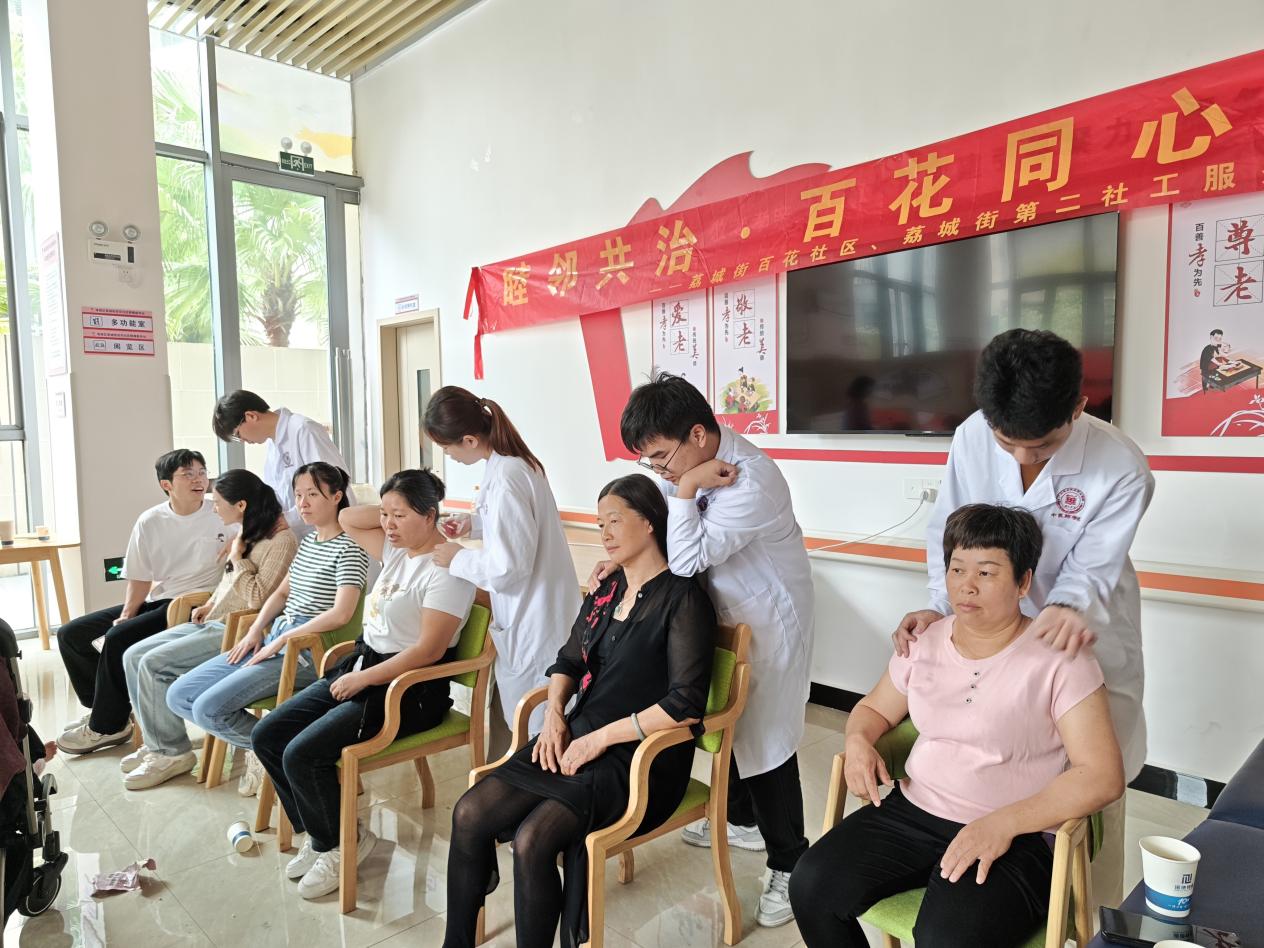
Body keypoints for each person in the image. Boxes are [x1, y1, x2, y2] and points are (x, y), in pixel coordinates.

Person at [893, 328, 1154, 906]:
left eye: (1040, 446)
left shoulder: (1121, 466)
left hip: (1080, 634)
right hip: (992, 639)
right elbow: (949, 530)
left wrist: (1063, 609)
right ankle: (993, 899)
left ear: (1079, 408)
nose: (1020, 458)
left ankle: (1088, 924)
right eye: (1006, 442)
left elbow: (1091, 568)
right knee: (1002, 771)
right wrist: (940, 606)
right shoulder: (972, 434)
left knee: (1090, 791)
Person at [791, 504, 1125, 948]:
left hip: (1018, 833)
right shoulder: (923, 641)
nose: (966, 585)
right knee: (811, 885)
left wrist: (1003, 824)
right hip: (915, 811)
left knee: (947, 936)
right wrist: (857, 742)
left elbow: (1102, 775)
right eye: (957, 569)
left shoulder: (1060, 658)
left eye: (986, 572)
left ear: (1024, 582)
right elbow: (874, 710)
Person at [443, 474, 715, 948]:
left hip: (640, 756)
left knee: (533, 839)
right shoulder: (606, 591)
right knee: (469, 812)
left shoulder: (683, 598)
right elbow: (568, 660)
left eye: (615, 521)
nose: (604, 532)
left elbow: (684, 705)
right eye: (600, 522)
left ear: (650, 522)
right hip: (577, 733)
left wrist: (599, 740)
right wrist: (554, 713)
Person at [596, 371, 815, 928]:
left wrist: (688, 487)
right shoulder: (692, 465)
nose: (661, 471)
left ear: (697, 434)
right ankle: (741, 819)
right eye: (650, 462)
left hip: (767, 622)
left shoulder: (751, 481)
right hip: (724, 617)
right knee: (732, 724)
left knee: (767, 741)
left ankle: (791, 863)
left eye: (662, 458)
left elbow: (688, 558)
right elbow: (670, 537)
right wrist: (622, 561)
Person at [252, 469, 475, 901]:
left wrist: (364, 679)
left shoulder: (447, 568)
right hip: (363, 666)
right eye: (386, 514)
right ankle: (328, 835)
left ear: (430, 516)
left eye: (400, 515)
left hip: (409, 690)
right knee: (268, 734)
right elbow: (349, 517)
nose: (388, 524)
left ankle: (339, 845)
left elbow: (429, 650)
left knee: (302, 754)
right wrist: (394, 506)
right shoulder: (396, 550)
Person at [167, 463, 369, 797]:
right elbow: (281, 594)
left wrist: (286, 638)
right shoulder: (310, 542)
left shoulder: (350, 547)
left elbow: (341, 613)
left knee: (207, 709)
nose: (302, 503)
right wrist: (256, 630)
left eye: (312, 494)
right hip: (276, 637)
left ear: (336, 497)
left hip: (308, 651)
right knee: (179, 695)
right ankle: (271, 748)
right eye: (298, 495)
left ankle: (275, 749)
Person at [424, 386, 578, 757]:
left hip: (535, 619)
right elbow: (515, 527)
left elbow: (510, 566)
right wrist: (473, 524)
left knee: (540, 725)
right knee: (532, 719)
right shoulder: (510, 465)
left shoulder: (509, 474)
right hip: (535, 613)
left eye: (446, 448)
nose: (447, 455)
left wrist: (457, 559)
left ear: (469, 440)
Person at [120, 470, 297, 790]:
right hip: (214, 621)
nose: (213, 508)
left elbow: (258, 598)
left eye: (218, 502)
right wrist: (211, 602)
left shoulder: (281, 541)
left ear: (241, 504)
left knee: (154, 664)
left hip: (238, 630)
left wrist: (238, 556)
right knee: (132, 655)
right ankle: (158, 741)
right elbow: (229, 582)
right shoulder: (248, 532)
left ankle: (171, 753)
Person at [56, 449, 230, 755]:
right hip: (158, 599)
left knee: (117, 638)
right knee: (71, 634)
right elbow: (139, 576)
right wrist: (128, 613)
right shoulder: (151, 520)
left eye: (202, 472)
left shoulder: (221, 515)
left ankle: (106, 726)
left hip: (194, 603)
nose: (198, 480)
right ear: (166, 484)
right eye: (188, 474)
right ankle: (108, 710)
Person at [211, 390, 354, 536]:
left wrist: (288, 519)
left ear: (251, 416)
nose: (242, 441)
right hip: (300, 537)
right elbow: (278, 496)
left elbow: (333, 487)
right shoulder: (272, 445)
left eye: (237, 434)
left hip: (331, 534)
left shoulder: (304, 430)